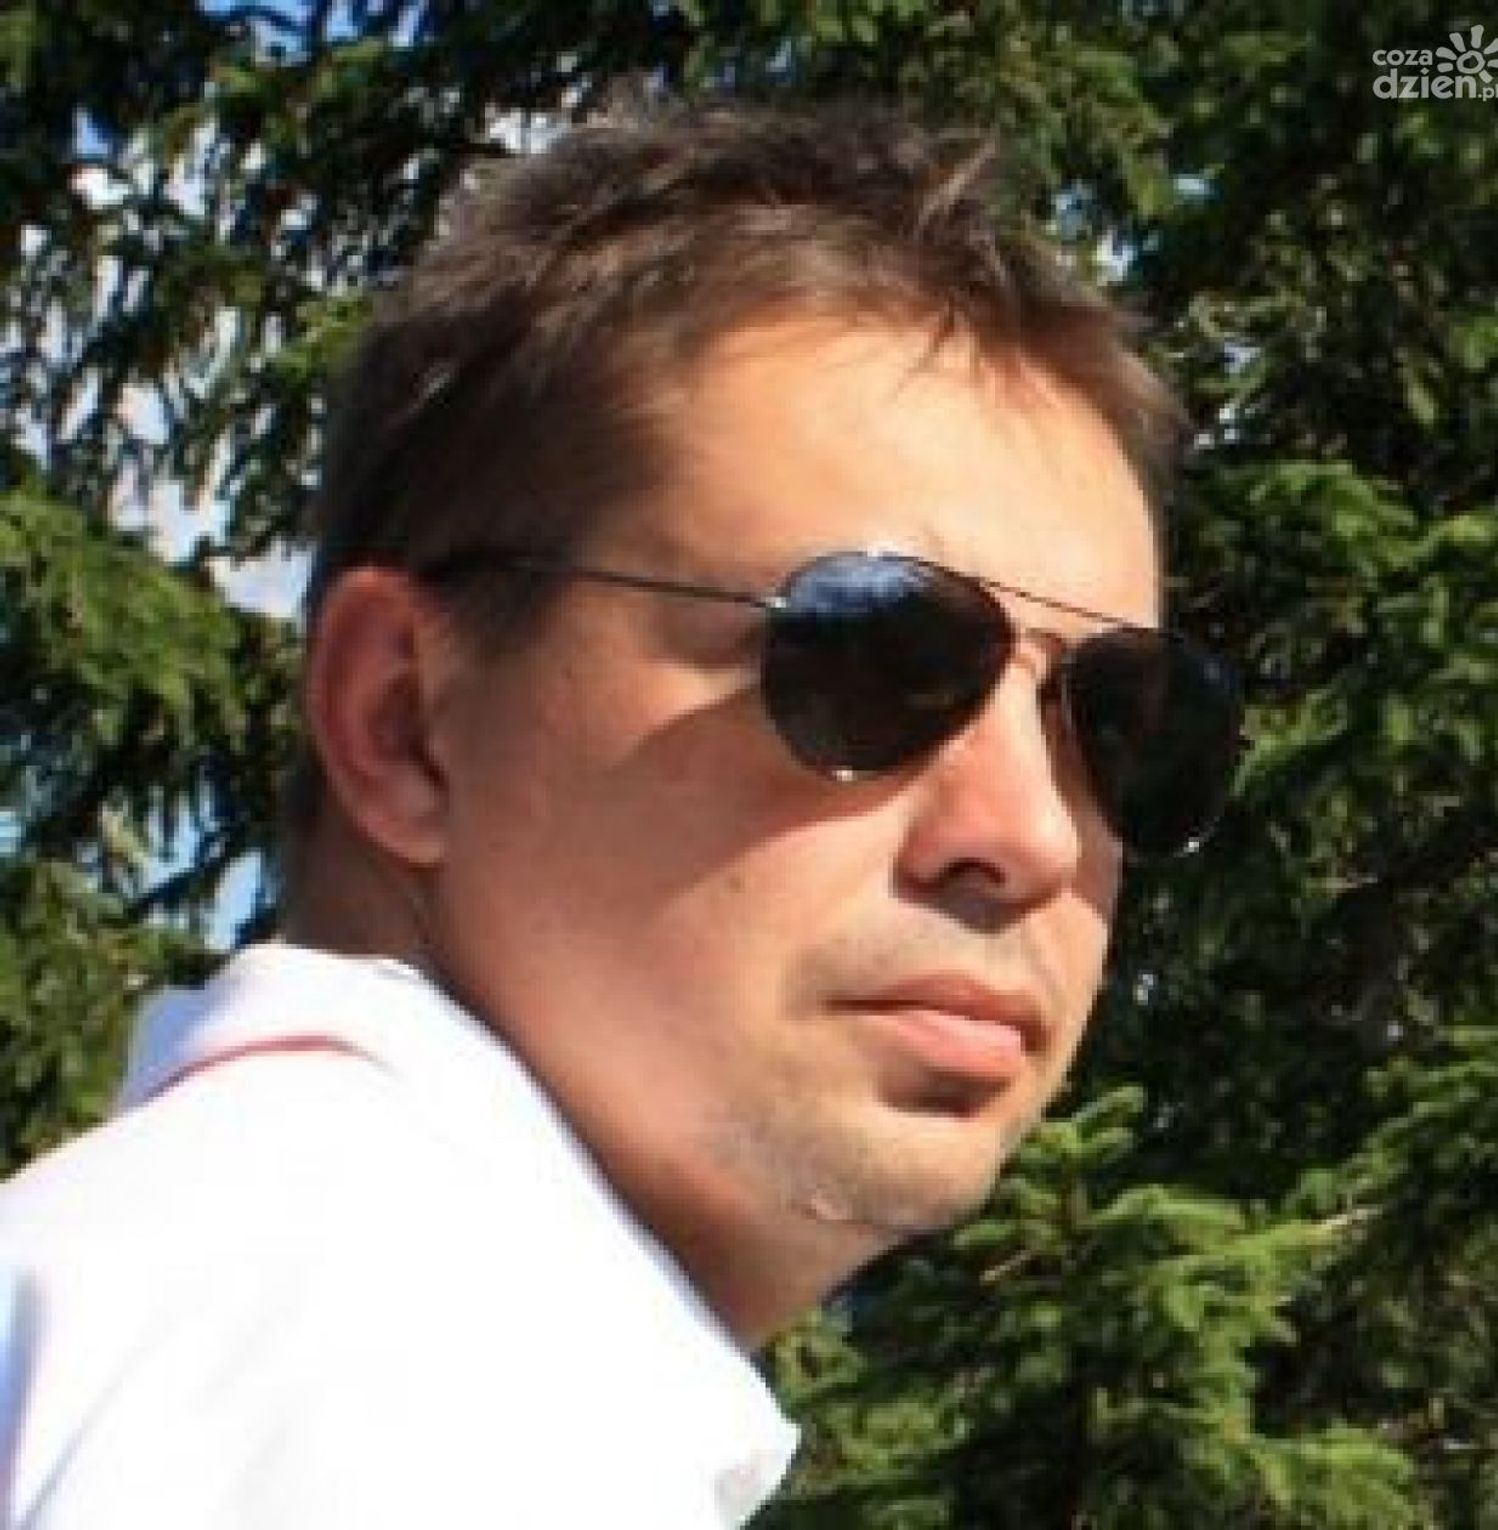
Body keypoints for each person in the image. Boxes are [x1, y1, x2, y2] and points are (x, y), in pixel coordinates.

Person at [0, 101, 1241, 1527]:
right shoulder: (397, 1355)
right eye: (868, 659)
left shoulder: (237, 1294)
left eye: (1120, 721)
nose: (1031, 833)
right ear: (404, 720)